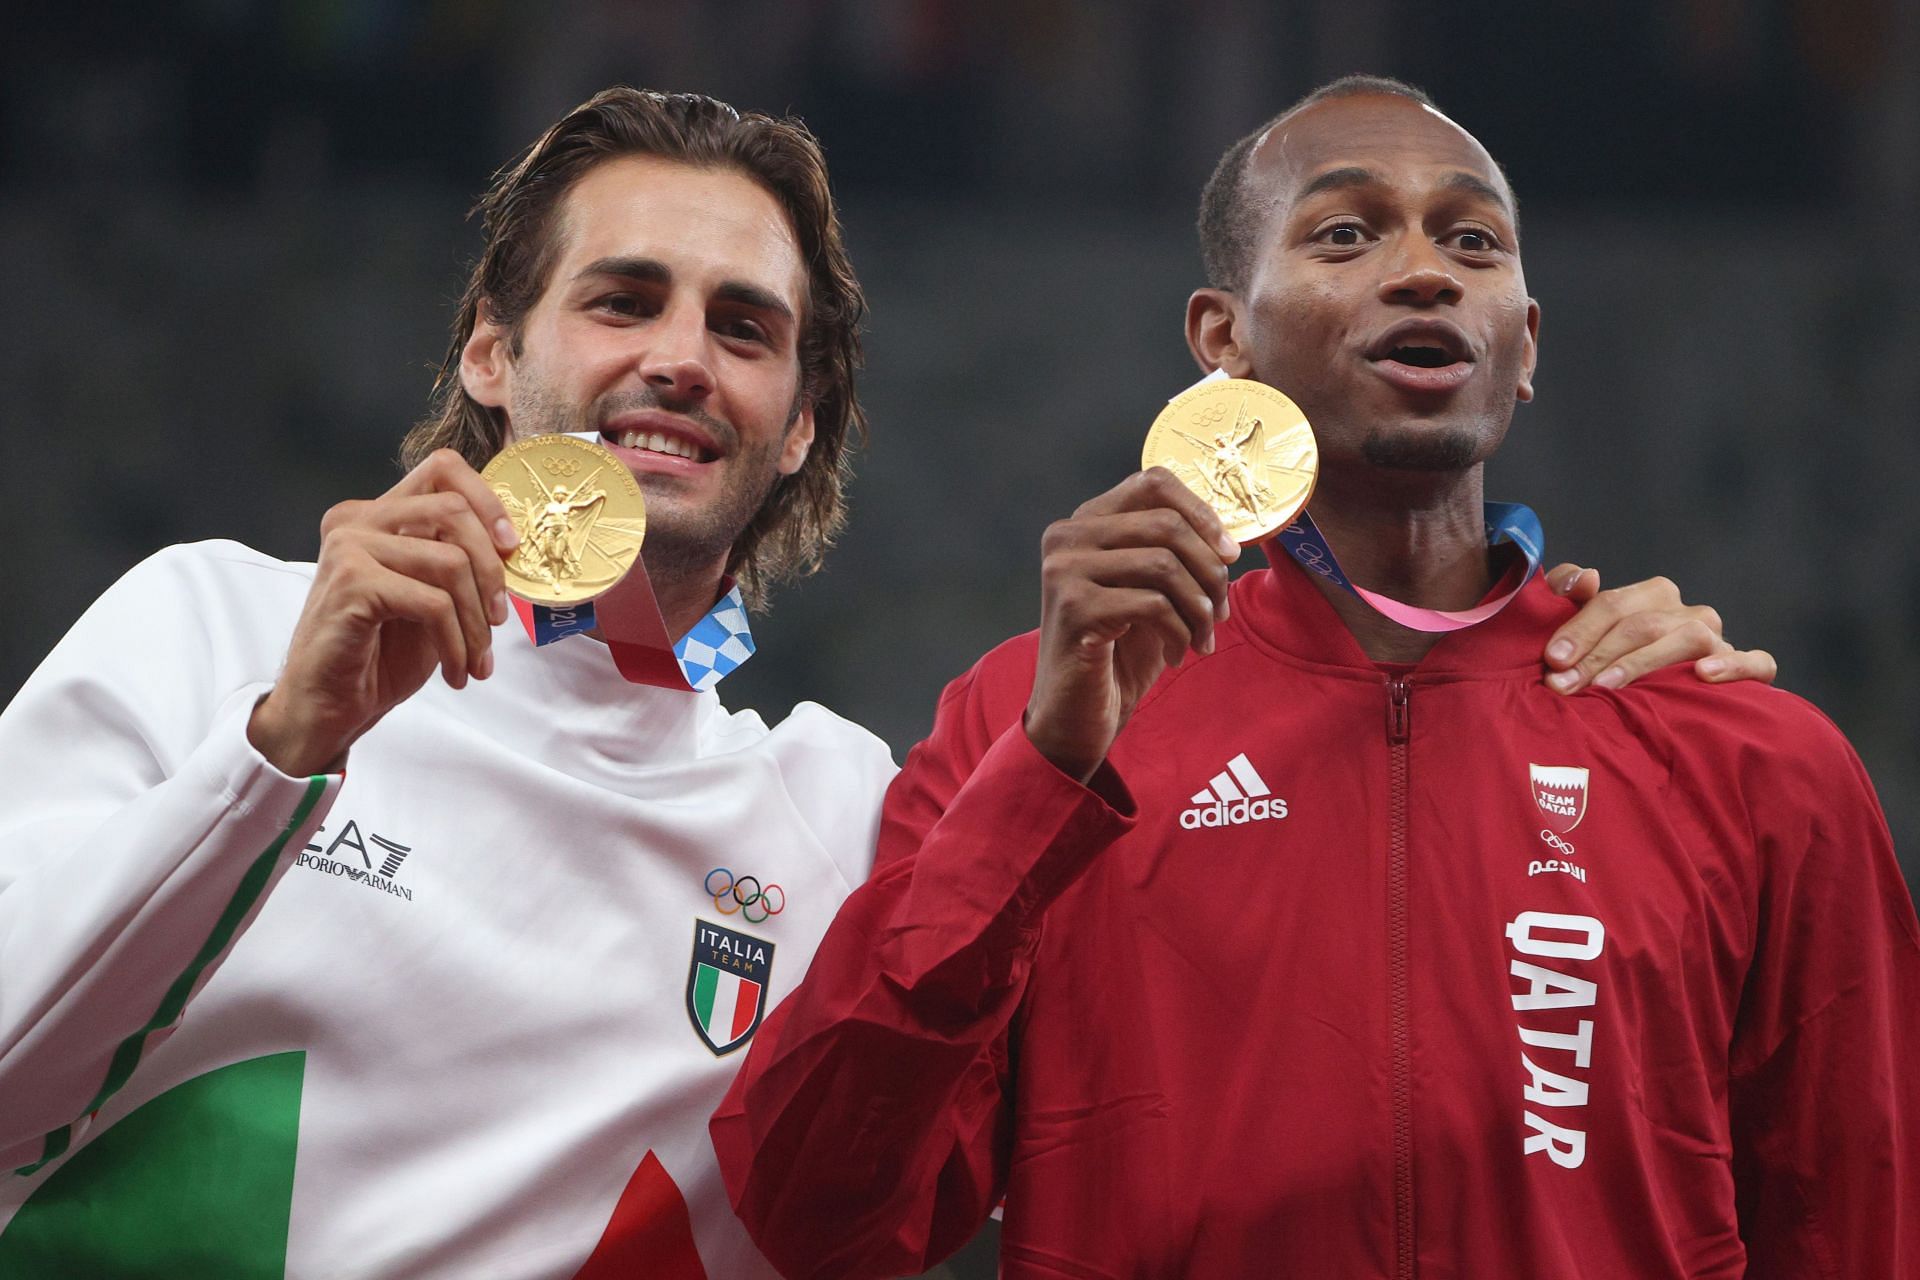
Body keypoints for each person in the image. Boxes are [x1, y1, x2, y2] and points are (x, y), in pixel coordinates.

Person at [0, 83, 1770, 1279]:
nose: (680, 359)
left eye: (745, 327)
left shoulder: (838, 809)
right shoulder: (217, 629)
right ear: (493, 349)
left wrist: (1571, 673)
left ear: (800, 431)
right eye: (624, 299)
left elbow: (852, 1204)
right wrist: (278, 753)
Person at [712, 76, 1920, 1278]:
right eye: (1346, 232)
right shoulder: (1032, 722)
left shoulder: (1753, 758)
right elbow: (824, 1211)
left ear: (1525, 343)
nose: (1424, 271)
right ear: (1222, 339)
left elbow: (1864, 1228)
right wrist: (1043, 775)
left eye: (1473, 242)